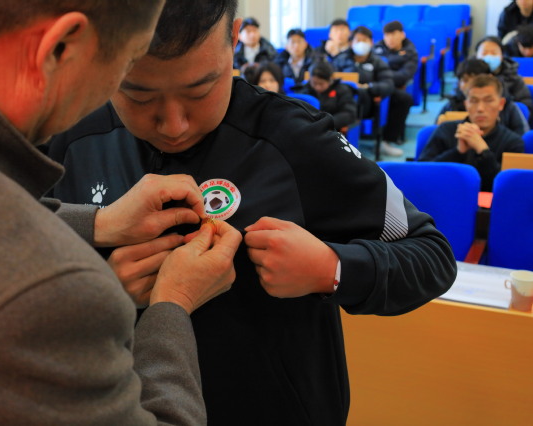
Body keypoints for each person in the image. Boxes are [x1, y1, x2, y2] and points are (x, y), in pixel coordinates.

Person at [45, 0, 457, 424]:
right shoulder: (71, 134)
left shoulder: (296, 140)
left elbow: (432, 256)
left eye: (199, 91)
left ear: (234, 37)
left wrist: (331, 269)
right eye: (138, 94)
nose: (173, 124)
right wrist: (101, 283)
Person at [0, 0, 244, 424]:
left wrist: (99, 223)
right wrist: (171, 305)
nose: (173, 126)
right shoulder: (53, 296)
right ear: (62, 47)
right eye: (130, 68)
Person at [420, 74, 525, 191]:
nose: (480, 108)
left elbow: (509, 189)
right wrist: (458, 152)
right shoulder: (446, 129)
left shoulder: (513, 142)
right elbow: (422, 174)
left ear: (501, 104)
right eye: (474, 101)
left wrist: (483, 151)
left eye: (488, 100)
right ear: (466, 104)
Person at [438, 58, 529, 135]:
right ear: (459, 84)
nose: (471, 85)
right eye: (465, 80)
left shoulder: (509, 107)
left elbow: (521, 140)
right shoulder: (450, 106)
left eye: (477, 80)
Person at [373, 20, 419, 157]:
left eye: (393, 34)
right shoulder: (377, 48)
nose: (390, 38)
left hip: (392, 86)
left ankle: (388, 140)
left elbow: (405, 75)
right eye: (387, 35)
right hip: (374, 84)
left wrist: (384, 77)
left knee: (404, 99)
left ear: (402, 35)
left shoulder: (410, 52)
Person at [332, 25, 395, 123]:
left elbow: (388, 84)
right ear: (351, 43)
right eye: (358, 40)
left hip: (365, 100)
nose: (361, 43)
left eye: (365, 40)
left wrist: (368, 87)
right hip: (341, 97)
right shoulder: (340, 59)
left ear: (371, 42)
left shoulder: (378, 62)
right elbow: (331, 79)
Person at [475, 35, 533, 119]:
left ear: (502, 56)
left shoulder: (514, 79)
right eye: (484, 53)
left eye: (494, 53)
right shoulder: (468, 77)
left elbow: (526, 105)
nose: (489, 56)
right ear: (476, 55)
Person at [300, 60, 357, 130]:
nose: (317, 87)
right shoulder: (305, 90)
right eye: (314, 83)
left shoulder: (342, 90)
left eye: (321, 84)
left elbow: (349, 114)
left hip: (332, 128)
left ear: (330, 80)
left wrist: (326, 123)